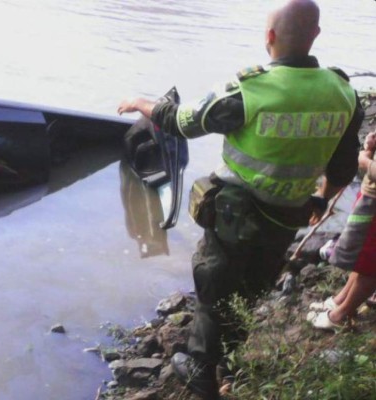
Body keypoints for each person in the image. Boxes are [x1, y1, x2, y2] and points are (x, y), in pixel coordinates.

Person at [117, 0, 365, 398]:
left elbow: (181, 122)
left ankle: (200, 369)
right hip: (288, 218)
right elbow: (342, 169)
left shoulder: (249, 90)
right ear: (315, 35)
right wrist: (321, 200)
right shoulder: (343, 93)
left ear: (268, 37)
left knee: (214, 285)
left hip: (235, 216)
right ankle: (229, 359)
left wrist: (140, 102)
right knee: (253, 287)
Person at [307, 131, 376, 329]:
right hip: (370, 194)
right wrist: (370, 146)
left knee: (370, 263)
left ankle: (340, 315)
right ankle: (341, 300)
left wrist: (365, 163)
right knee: (362, 256)